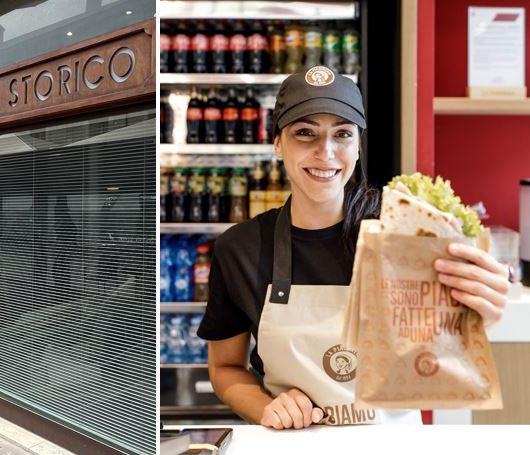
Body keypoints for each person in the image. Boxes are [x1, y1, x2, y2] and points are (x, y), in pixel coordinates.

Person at [197, 66, 510, 429]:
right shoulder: (240, 248)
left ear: (357, 146)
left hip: (392, 446)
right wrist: (265, 406)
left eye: (342, 134)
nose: (325, 152)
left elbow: (441, 349)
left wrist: (476, 310)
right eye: (304, 133)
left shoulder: (402, 234)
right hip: (292, 446)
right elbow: (225, 368)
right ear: (278, 143)